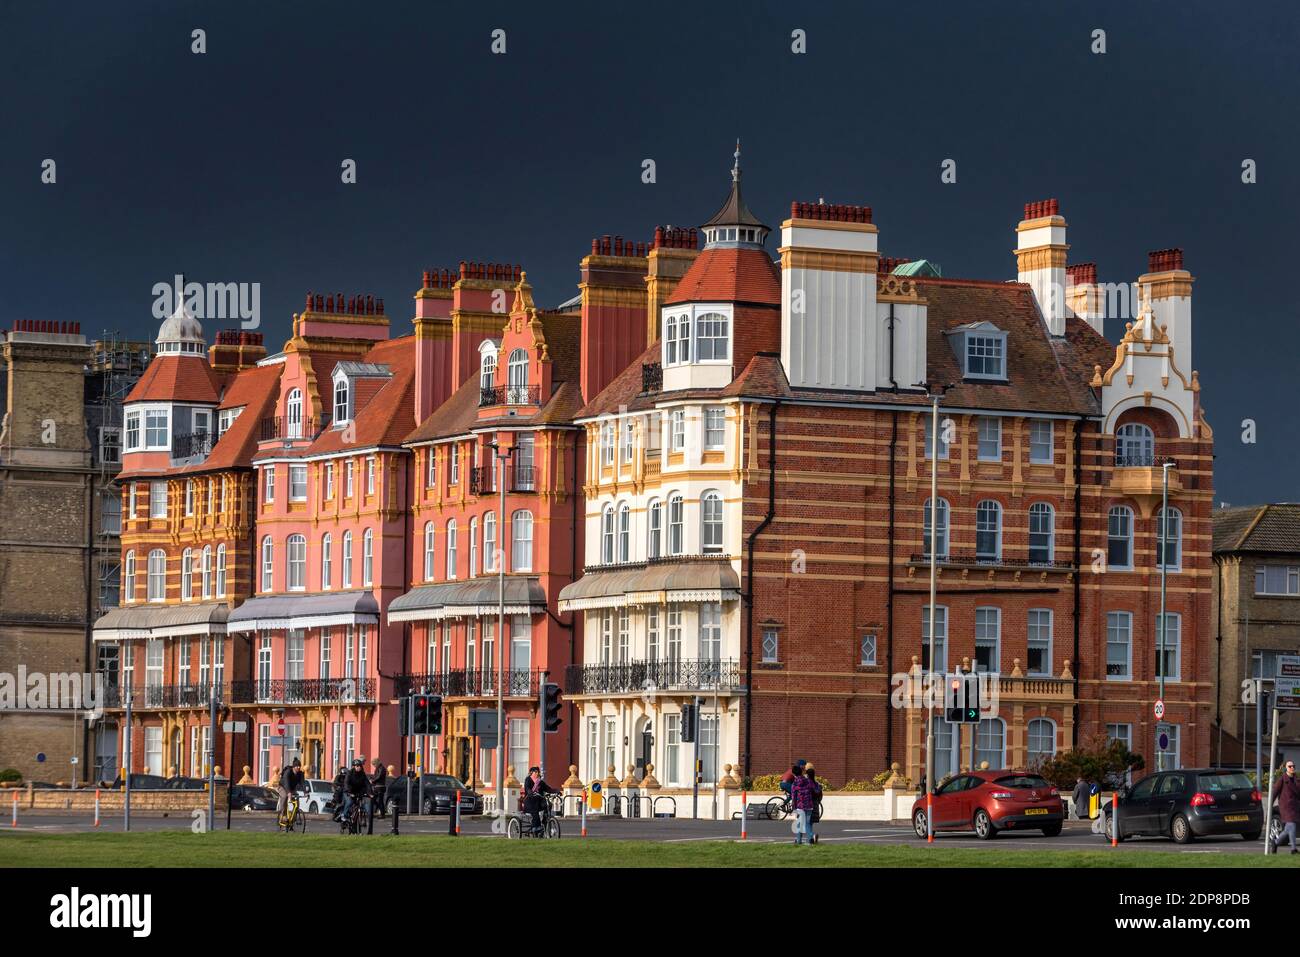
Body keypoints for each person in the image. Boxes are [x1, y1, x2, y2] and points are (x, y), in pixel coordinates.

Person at [1270, 759, 1300, 854]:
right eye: (1289, 766)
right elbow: (1274, 793)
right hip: (1286, 807)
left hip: (1295, 807)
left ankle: (1275, 842)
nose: (1292, 768)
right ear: (1286, 768)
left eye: (1293, 766)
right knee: (1292, 825)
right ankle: (1293, 849)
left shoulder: (1297, 779)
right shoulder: (1282, 779)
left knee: (1287, 829)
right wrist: (1270, 805)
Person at [522, 767, 558, 834]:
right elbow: (527, 788)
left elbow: (548, 789)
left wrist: (556, 791)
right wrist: (530, 792)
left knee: (548, 804)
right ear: (531, 773)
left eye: (538, 772)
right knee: (535, 812)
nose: (537, 773)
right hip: (530, 801)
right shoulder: (528, 780)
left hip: (539, 800)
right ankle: (535, 827)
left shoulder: (540, 782)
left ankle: (545, 820)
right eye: (535, 772)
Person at [339, 758, 372, 828]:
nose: (359, 767)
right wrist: (349, 791)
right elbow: (346, 783)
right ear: (354, 767)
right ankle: (344, 816)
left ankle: (359, 817)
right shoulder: (350, 773)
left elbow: (367, 784)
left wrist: (370, 793)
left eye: (360, 766)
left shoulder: (362, 774)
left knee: (362, 803)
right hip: (348, 791)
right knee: (350, 802)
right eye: (357, 766)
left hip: (358, 792)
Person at [791, 765, 817, 845]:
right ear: (801, 772)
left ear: (794, 774)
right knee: (807, 823)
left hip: (800, 806)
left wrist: (794, 807)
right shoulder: (808, 781)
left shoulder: (795, 784)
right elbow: (816, 789)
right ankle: (810, 839)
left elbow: (793, 796)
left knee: (799, 824)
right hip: (809, 805)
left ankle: (800, 840)